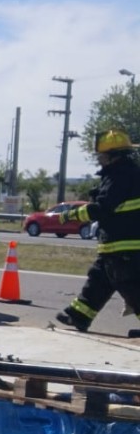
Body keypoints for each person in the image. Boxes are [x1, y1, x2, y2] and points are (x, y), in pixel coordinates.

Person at [55, 129, 140, 335]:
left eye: (101, 156)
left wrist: (71, 215)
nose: (99, 160)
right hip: (117, 246)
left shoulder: (120, 176)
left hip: (125, 246)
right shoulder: (127, 173)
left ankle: (79, 316)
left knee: (132, 286)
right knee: (99, 281)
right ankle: (79, 316)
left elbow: (102, 208)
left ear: (113, 156)